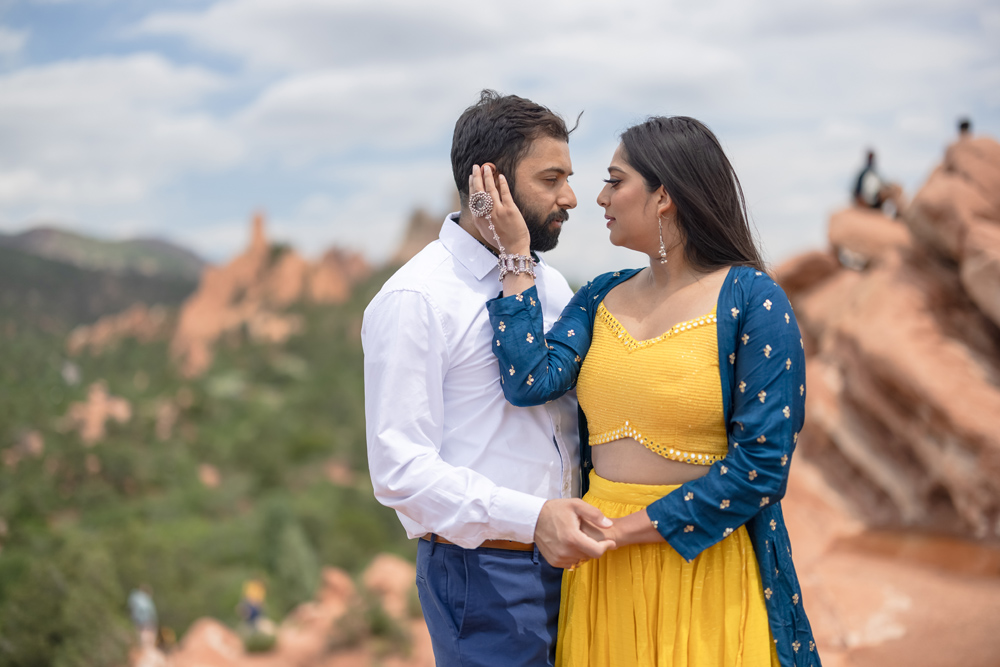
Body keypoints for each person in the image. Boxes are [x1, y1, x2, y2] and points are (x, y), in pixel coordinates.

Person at [475, 116, 821, 666]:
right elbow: (528, 380)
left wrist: (622, 532)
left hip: (704, 570)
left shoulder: (754, 302)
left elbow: (761, 468)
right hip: (601, 578)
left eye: (616, 180)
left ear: (664, 196)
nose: (599, 196)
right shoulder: (600, 296)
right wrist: (515, 256)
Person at [363, 90, 615, 667]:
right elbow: (400, 471)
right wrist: (533, 519)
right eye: (551, 179)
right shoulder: (415, 298)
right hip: (483, 574)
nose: (571, 197)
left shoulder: (547, 284)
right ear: (489, 186)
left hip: (570, 564)